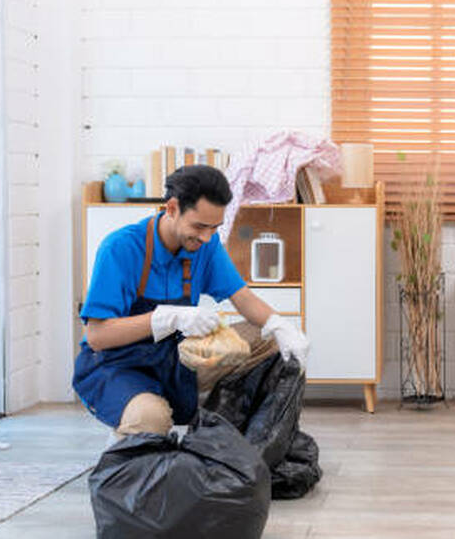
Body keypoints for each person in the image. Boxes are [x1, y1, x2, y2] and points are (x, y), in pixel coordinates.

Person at [73, 165, 309, 439]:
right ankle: (131, 429)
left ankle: (221, 431)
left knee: (266, 337)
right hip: (118, 366)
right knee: (150, 418)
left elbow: (242, 297)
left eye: (214, 227)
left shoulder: (205, 245)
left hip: (173, 360)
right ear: (172, 208)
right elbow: (98, 336)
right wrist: (165, 318)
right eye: (199, 226)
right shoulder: (121, 248)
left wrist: (281, 326)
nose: (207, 237)